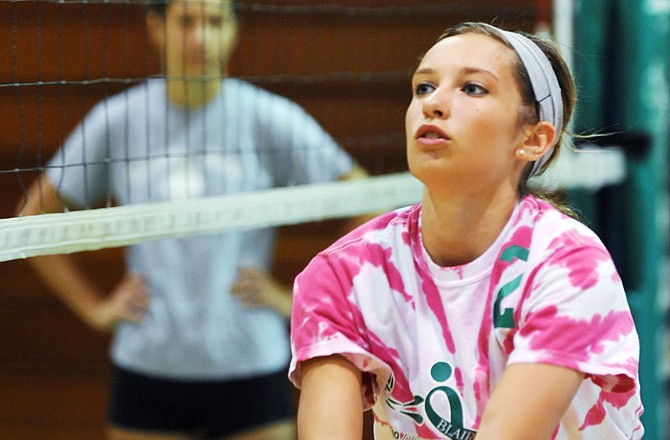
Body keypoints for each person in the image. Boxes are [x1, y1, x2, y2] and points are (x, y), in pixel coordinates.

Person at [17, 0, 367, 439]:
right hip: (149, 364)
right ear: (156, 27)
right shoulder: (118, 120)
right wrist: (95, 309)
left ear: (233, 30)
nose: (200, 36)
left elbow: (368, 203)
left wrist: (296, 300)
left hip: (249, 363)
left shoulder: (267, 117)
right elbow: (31, 219)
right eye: (186, 21)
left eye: (214, 21)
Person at [289, 22, 644, 440]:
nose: (434, 103)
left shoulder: (570, 266)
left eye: (472, 88)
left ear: (533, 140)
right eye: (423, 87)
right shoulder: (341, 274)